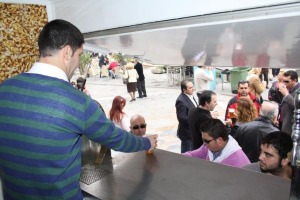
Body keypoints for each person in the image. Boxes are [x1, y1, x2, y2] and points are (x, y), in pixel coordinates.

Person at [0, 19, 158, 200]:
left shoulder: (4, 89)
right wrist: (146, 142)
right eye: (79, 54)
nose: (77, 63)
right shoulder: (76, 101)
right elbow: (116, 139)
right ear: (67, 52)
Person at [183, 119, 250, 168]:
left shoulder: (239, 163)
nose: (204, 143)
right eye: (203, 140)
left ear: (219, 140)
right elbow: (193, 155)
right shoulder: (208, 146)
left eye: (206, 141)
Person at [175, 80, 198, 153]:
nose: (193, 89)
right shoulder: (181, 101)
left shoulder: (191, 95)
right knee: (186, 154)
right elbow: (181, 118)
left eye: (193, 87)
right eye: (190, 88)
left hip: (193, 132)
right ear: (184, 90)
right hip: (187, 133)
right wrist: (196, 118)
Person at [278, 70, 300, 134]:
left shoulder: (298, 91)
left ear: (294, 80)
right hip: (282, 122)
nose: (284, 83)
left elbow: (297, 106)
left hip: (291, 126)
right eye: (283, 81)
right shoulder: (287, 88)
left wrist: (286, 94)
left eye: (286, 81)